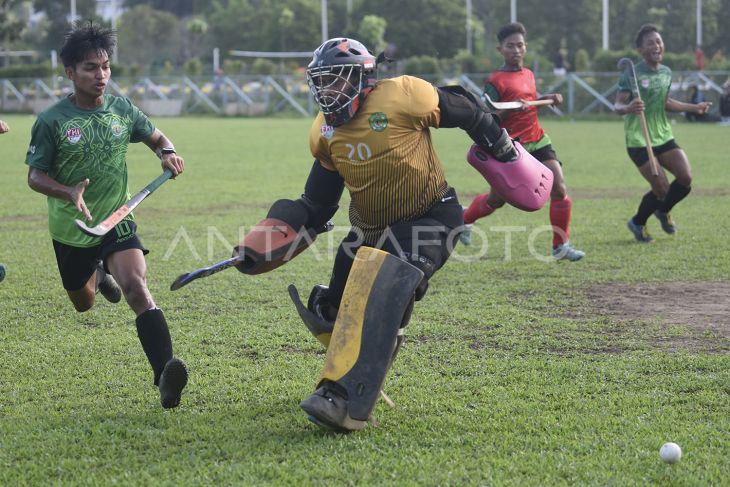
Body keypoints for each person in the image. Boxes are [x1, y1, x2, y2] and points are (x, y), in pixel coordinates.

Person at [229, 37, 535, 432]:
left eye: (335, 79)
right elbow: (317, 205)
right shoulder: (325, 132)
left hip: (432, 218)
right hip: (371, 230)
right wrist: (264, 241)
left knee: (383, 282)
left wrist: (504, 152)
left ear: (363, 77)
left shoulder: (405, 95)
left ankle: (343, 400)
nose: (326, 90)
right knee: (333, 309)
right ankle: (368, 340)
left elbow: (469, 111)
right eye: (320, 82)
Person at [24, 22, 188, 408]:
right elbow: (34, 176)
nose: (100, 76)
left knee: (136, 286)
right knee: (84, 303)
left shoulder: (122, 109)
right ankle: (97, 272)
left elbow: (158, 137)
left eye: (105, 66)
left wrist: (167, 152)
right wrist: (68, 191)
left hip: (118, 218)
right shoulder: (52, 121)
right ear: (70, 72)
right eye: (89, 68)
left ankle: (165, 373)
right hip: (73, 228)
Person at [461, 22, 585, 262]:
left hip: (538, 140)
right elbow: (488, 117)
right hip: (512, 148)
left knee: (559, 188)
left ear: (525, 47)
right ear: (500, 49)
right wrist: (512, 110)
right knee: (496, 200)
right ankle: (465, 219)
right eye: (510, 46)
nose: (516, 50)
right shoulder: (495, 82)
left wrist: (546, 99)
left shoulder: (528, 73)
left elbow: (530, 100)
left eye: (520, 45)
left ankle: (560, 246)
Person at [614, 24, 711, 243]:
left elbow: (665, 102)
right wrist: (629, 108)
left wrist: (694, 108)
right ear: (641, 50)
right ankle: (638, 222)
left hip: (663, 134)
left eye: (658, 41)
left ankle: (662, 210)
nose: (656, 46)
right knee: (662, 187)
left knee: (685, 178)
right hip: (639, 138)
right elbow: (617, 105)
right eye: (651, 43)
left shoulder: (666, 72)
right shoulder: (633, 74)